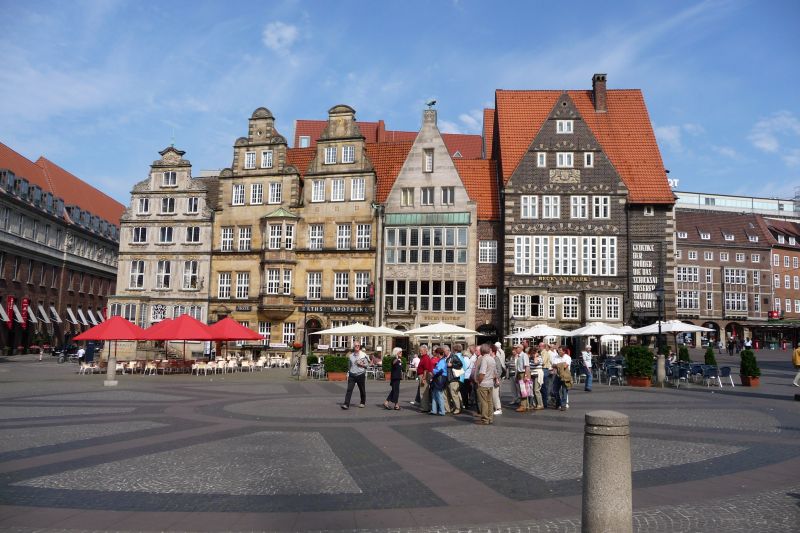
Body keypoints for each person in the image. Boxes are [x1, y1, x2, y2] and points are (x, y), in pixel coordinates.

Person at [341, 342, 369, 410]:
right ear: (353, 346)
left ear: (360, 346)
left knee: (362, 389)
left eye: (358, 345)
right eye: (356, 345)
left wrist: (362, 364)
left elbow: (367, 365)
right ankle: (346, 404)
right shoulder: (351, 356)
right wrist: (349, 371)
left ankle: (362, 402)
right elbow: (349, 365)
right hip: (352, 375)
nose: (357, 346)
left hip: (360, 374)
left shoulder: (363, 355)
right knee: (349, 389)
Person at [475, 344, 497, 425]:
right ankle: (490, 418)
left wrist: (479, 381)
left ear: (482, 351)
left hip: (484, 383)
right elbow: (495, 373)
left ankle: (485, 419)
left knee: (484, 402)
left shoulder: (484, 359)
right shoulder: (492, 359)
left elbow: (482, 373)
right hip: (490, 383)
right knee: (489, 401)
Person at [446, 343, 465, 415]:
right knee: (456, 393)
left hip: (456, 376)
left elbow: (462, 366)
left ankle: (458, 408)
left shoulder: (456, 356)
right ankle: (459, 406)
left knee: (454, 394)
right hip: (459, 377)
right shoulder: (460, 356)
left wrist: (452, 365)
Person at [415, 345, 434, 412]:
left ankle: (424, 408)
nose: (420, 352)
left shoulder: (425, 358)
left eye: (421, 351)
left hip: (423, 376)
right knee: (424, 392)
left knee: (423, 392)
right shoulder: (424, 357)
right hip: (423, 375)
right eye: (420, 351)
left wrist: (423, 378)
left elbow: (426, 369)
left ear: (425, 351)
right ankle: (426, 407)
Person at [515, 346, 531, 413]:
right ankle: (526, 405)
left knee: (523, 390)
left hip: (523, 373)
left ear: (521, 348)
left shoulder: (524, 355)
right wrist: (517, 375)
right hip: (519, 373)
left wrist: (526, 375)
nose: (516, 349)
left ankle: (523, 406)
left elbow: (527, 366)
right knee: (522, 389)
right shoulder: (519, 356)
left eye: (517, 348)